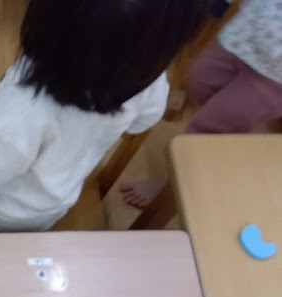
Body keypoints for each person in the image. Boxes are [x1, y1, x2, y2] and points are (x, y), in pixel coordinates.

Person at [0, 0, 207, 234]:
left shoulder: (21, 115)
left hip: (1, 212)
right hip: (46, 193)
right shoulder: (146, 77)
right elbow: (143, 121)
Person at [121, 0, 282, 209]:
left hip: (273, 76)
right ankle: (241, 127)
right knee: (198, 81)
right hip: (241, 37)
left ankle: (170, 184)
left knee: (208, 125)